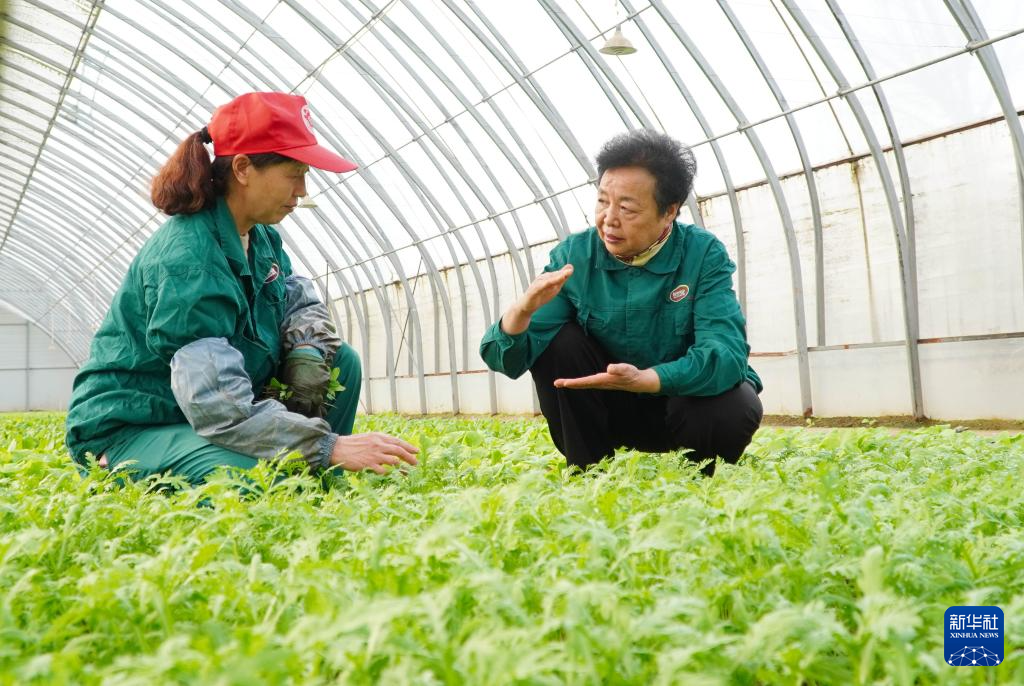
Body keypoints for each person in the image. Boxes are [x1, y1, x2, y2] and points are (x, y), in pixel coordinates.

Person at [66, 92, 418, 484]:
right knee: (254, 479)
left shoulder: (261, 236)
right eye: (294, 173)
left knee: (340, 362)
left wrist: (305, 350)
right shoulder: (188, 258)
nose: (302, 190)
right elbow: (216, 404)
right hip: (139, 426)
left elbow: (297, 300)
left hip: (196, 416)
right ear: (243, 168)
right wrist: (328, 446)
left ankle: (312, 476)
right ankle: (308, 467)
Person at [480, 129, 763, 475]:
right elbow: (505, 360)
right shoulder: (575, 256)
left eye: (627, 207)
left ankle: (699, 479)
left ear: (669, 211)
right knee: (558, 343)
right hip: (608, 411)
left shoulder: (702, 253)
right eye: (603, 201)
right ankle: (590, 474)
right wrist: (521, 312)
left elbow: (726, 354)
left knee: (734, 405)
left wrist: (649, 378)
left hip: (678, 407)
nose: (608, 219)